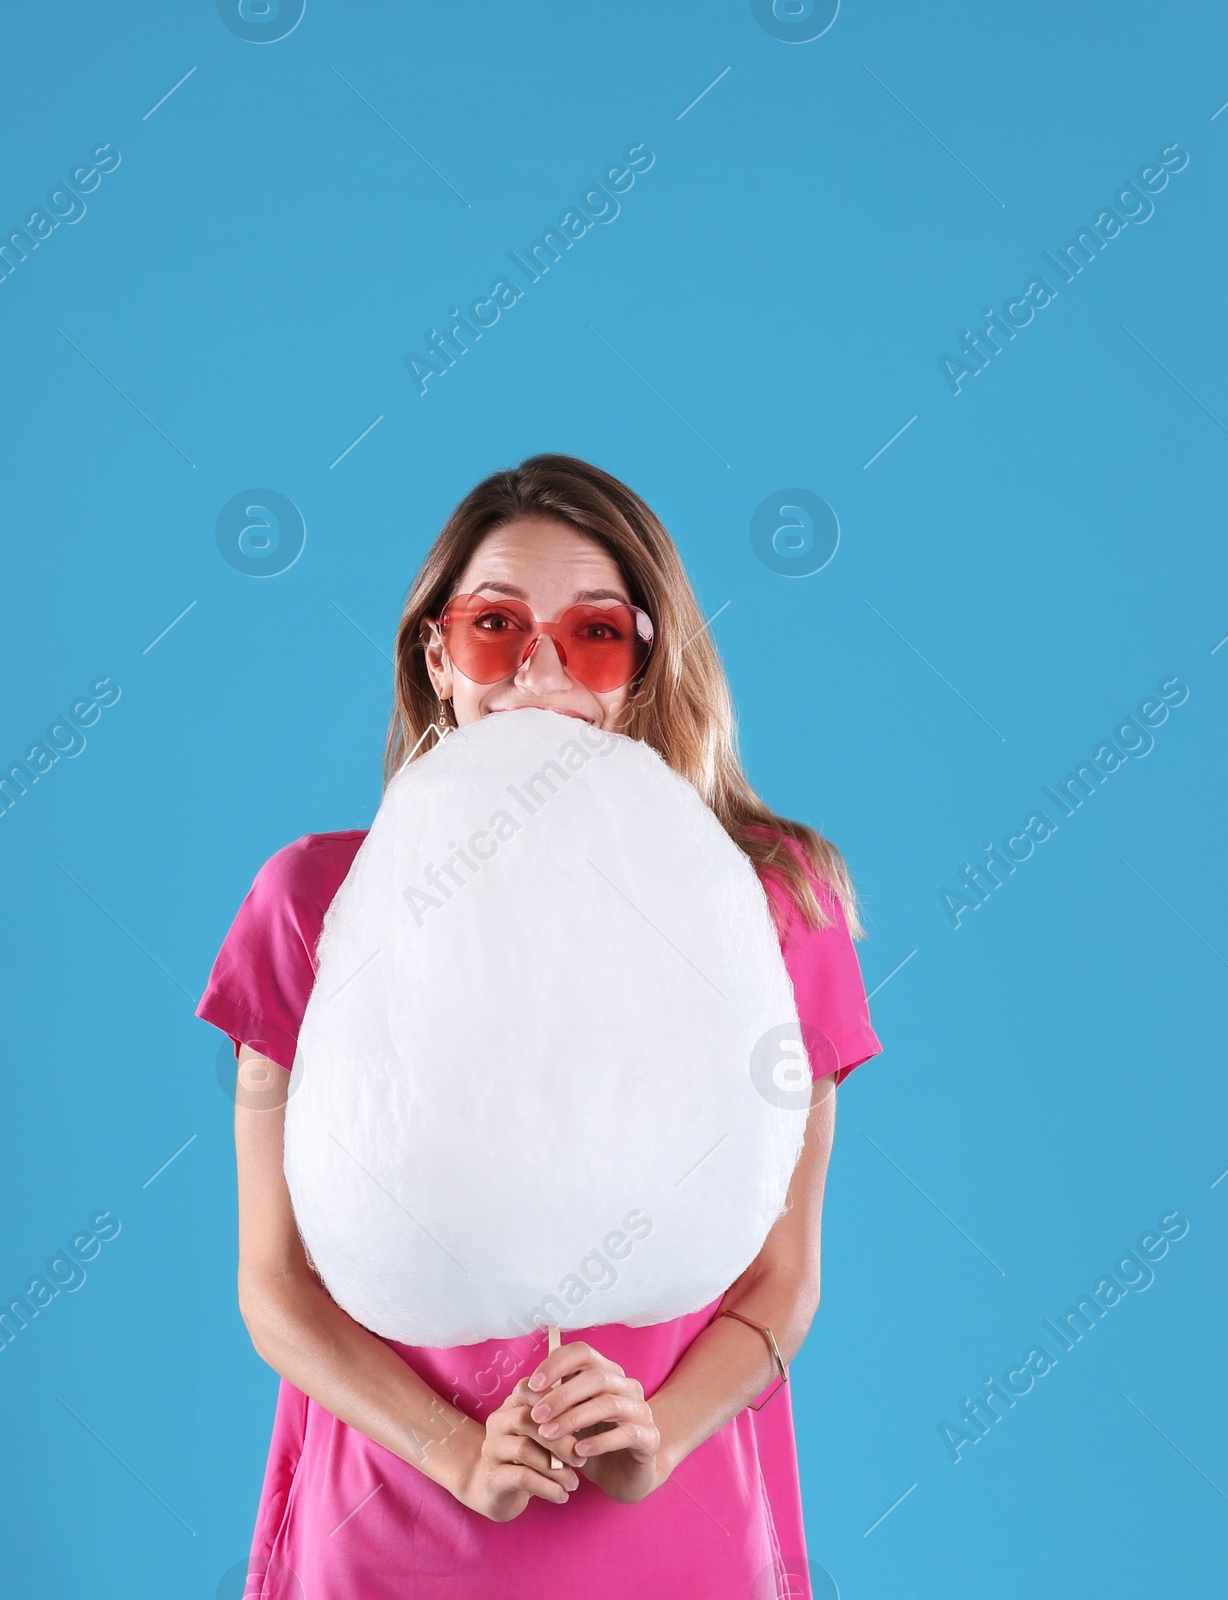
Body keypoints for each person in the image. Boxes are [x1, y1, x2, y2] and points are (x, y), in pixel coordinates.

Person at [197, 454, 882, 1599]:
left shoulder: (772, 905)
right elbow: (273, 1283)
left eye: (595, 631)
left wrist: (656, 1435)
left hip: (672, 1530)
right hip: (390, 1520)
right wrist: (456, 1448)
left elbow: (780, 1280)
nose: (543, 669)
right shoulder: (311, 906)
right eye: (495, 625)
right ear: (437, 655)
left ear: (645, 659)